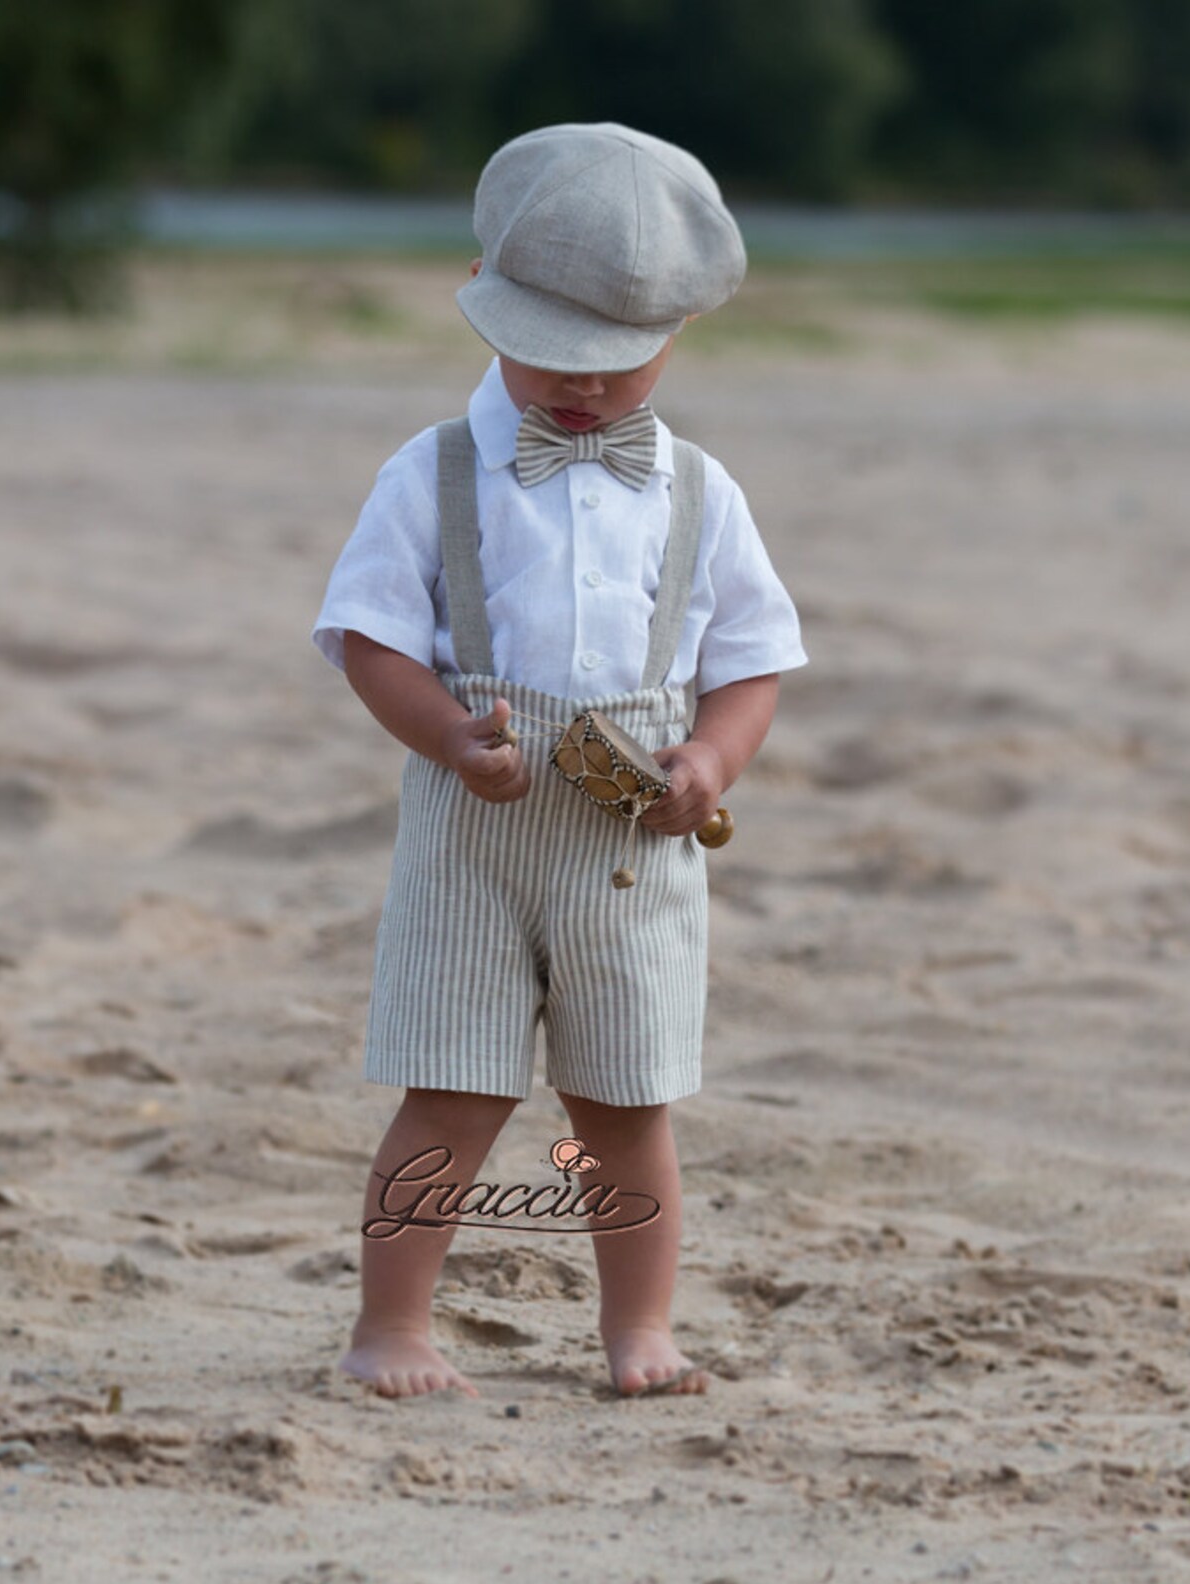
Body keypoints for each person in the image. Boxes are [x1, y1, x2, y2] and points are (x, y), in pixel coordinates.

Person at [312, 123, 807, 1400]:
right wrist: (440, 731)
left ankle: (638, 1326)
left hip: (629, 850)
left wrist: (712, 754)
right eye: (552, 360)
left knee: (622, 1105)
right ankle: (393, 1325)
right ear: (488, 304)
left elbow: (751, 655)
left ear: (677, 334)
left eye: (618, 364)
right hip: (471, 831)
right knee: (451, 1092)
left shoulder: (698, 490)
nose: (581, 391)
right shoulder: (430, 472)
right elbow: (366, 636)